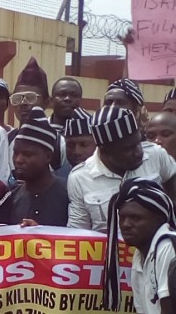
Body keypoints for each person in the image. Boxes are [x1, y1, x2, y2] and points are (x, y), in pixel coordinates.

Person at [67, 106, 176, 232]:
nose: (138, 152)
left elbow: (173, 184)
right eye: (128, 149)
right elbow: (77, 230)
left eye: (138, 143)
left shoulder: (155, 154)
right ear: (105, 151)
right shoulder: (79, 178)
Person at [103, 178, 176, 314]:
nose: (125, 224)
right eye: (122, 217)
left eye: (136, 218)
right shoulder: (140, 253)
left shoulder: (167, 248)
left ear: (159, 219)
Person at [0, 107, 68, 227]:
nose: (18, 160)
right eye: (16, 153)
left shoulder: (69, 194)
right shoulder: (10, 198)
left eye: (27, 154)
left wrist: (40, 232)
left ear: (48, 157)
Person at [8, 57, 64, 172]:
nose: (23, 103)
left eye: (30, 97)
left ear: (46, 102)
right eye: (17, 98)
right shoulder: (7, 139)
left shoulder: (59, 143)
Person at [57, 107, 96, 179]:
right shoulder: (58, 177)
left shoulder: (112, 175)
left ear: (97, 145)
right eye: (70, 145)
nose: (77, 151)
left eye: (84, 145)